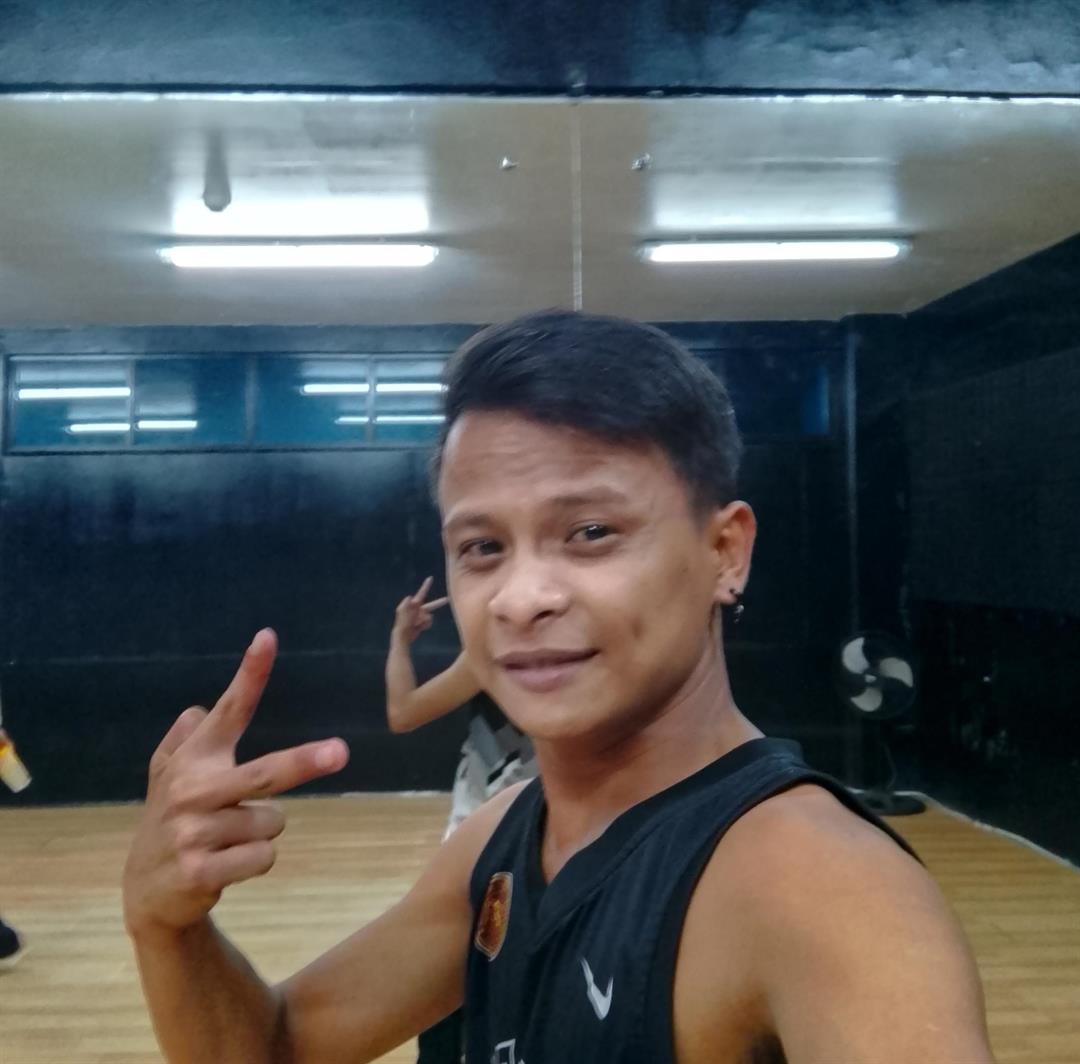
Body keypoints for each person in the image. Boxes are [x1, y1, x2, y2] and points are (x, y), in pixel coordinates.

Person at [123, 310, 994, 1064]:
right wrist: (165, 925)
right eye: (482, 547)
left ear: (725, 551)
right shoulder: (502, 836)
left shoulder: (827, 889)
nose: (521, 598)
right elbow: (275, 1045)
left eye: (590, 532)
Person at [386, 578, 538, 1063]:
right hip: (508, 833)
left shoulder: (488, 655)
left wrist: (400, 640)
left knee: (460, 966)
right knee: (470, 963)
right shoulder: (488, 657)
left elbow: (402, 712)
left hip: (503, 833)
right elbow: (402, 714)